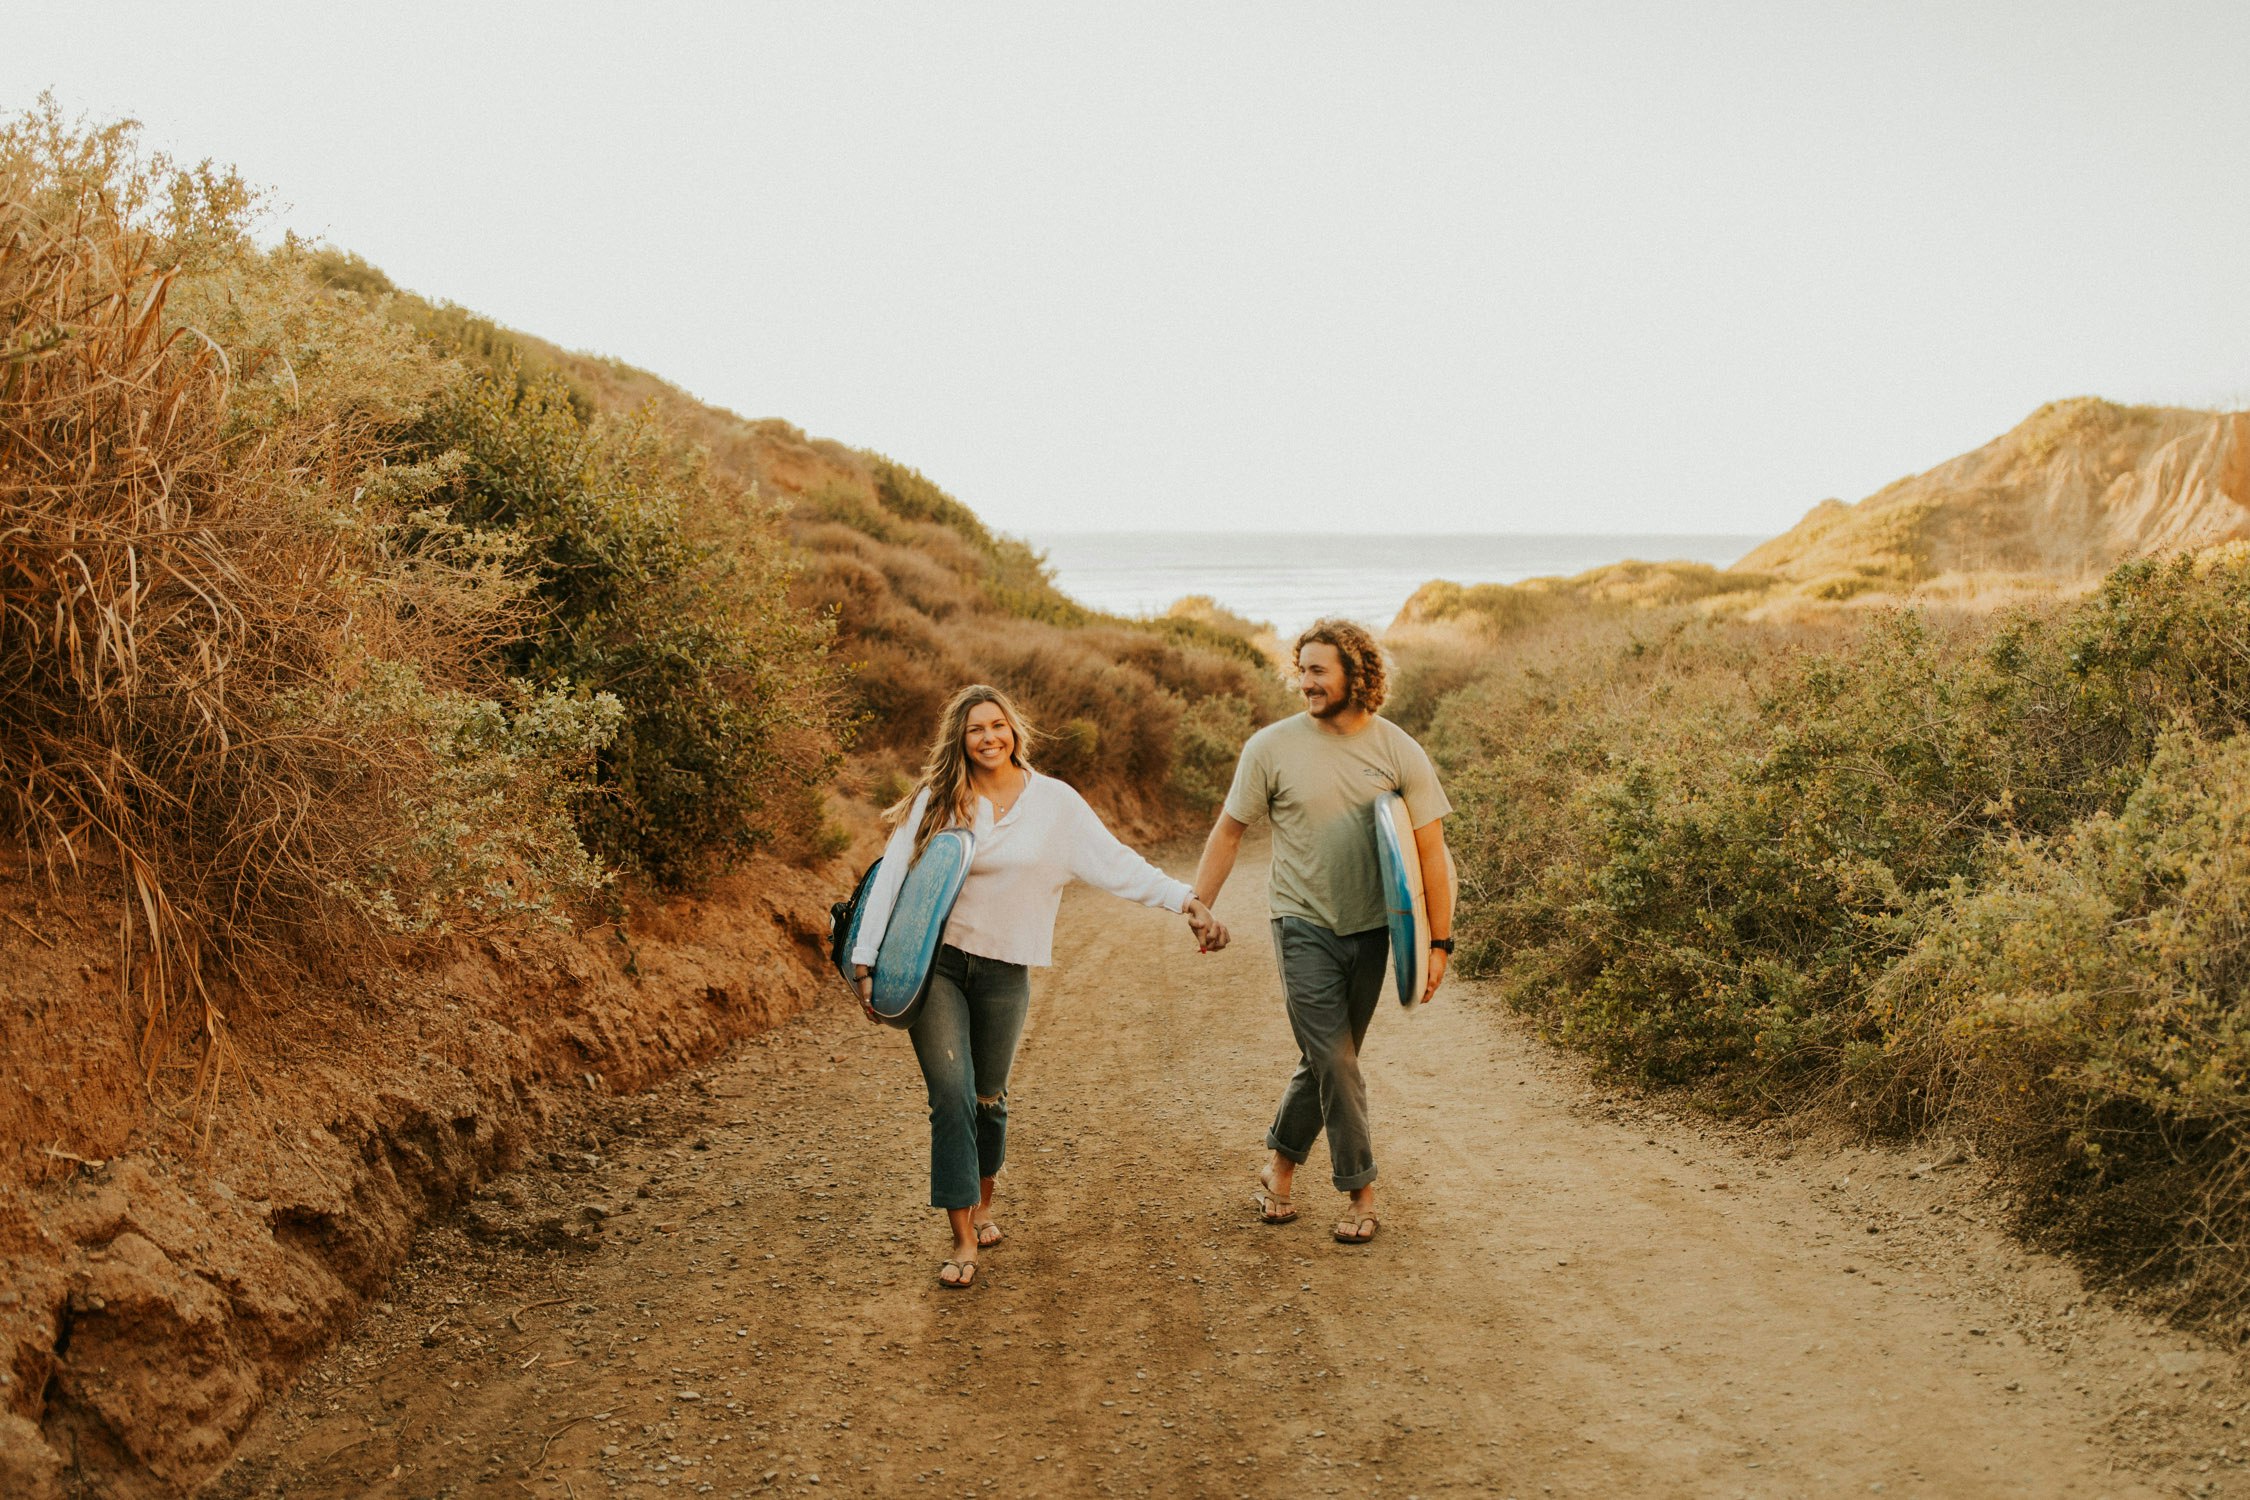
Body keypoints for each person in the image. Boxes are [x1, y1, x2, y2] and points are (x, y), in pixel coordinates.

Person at [853, 683, 1229, 1289]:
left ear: (1013, 730)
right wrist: (866, 962)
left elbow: (1117, 863)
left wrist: (1187, 899)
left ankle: (985, 1200)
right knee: (952, 1094)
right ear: (960, 738)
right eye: (975, 729)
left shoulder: (1054, 803)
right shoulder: (939, 797)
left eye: (996, 725)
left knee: (988, 1097)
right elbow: (892, 873)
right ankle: (962, 1236)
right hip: (937, 966)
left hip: (1006, 969)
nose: (988, 737)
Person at [1187, 618, 1456, 1245]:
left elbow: (1430, 854)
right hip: (1301, 921)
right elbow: (1229, 831)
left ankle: (1278, 1165)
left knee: (1329, 1058)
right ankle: (1360, 1191)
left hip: (1374, 929)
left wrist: (1438, 944)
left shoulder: (1397, 749)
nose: (1303, 682)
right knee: (1335, 1058)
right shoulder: (1271, 748)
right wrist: (1199, 904)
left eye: (1318, 671)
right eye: (1300, 669)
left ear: (1355, 675)